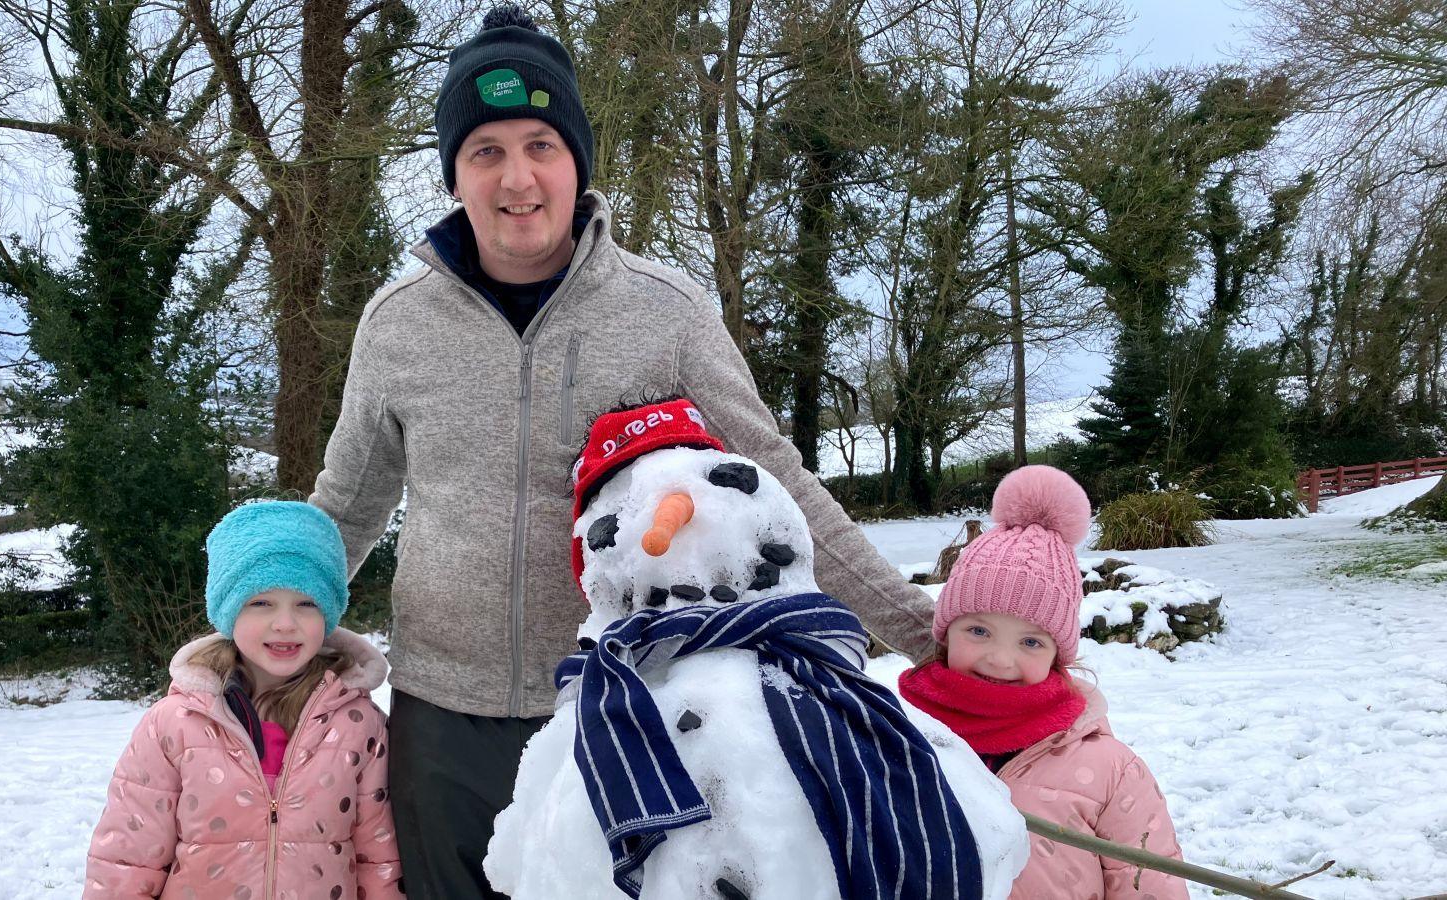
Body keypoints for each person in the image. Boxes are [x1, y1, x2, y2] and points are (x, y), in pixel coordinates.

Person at [307, 5, 935, 897]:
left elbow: (777, 484)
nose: (516, 176)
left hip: (623, 706)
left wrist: (922, 630)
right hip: (441, 720)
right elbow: (345, 506)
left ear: (578, 163)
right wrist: (258, 629)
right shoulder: (396, 325)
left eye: (541, 144)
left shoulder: (665, 313)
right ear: (454, 173)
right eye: (485, 150)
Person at [82, 501, 402, 900]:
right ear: (229, 611)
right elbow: (127, 859)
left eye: (307, 603)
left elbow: (380, 859)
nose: (285, 622)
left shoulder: (359, 724)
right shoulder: (176, 723)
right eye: (261, 603)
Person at [897, 466, 1187, 900]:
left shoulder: (1110, 771)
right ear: (946, 633)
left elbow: (1147, 885)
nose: (1001, 659)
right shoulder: (895, 733)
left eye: (1031, 641)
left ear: (1058, 654)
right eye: (978, 631)